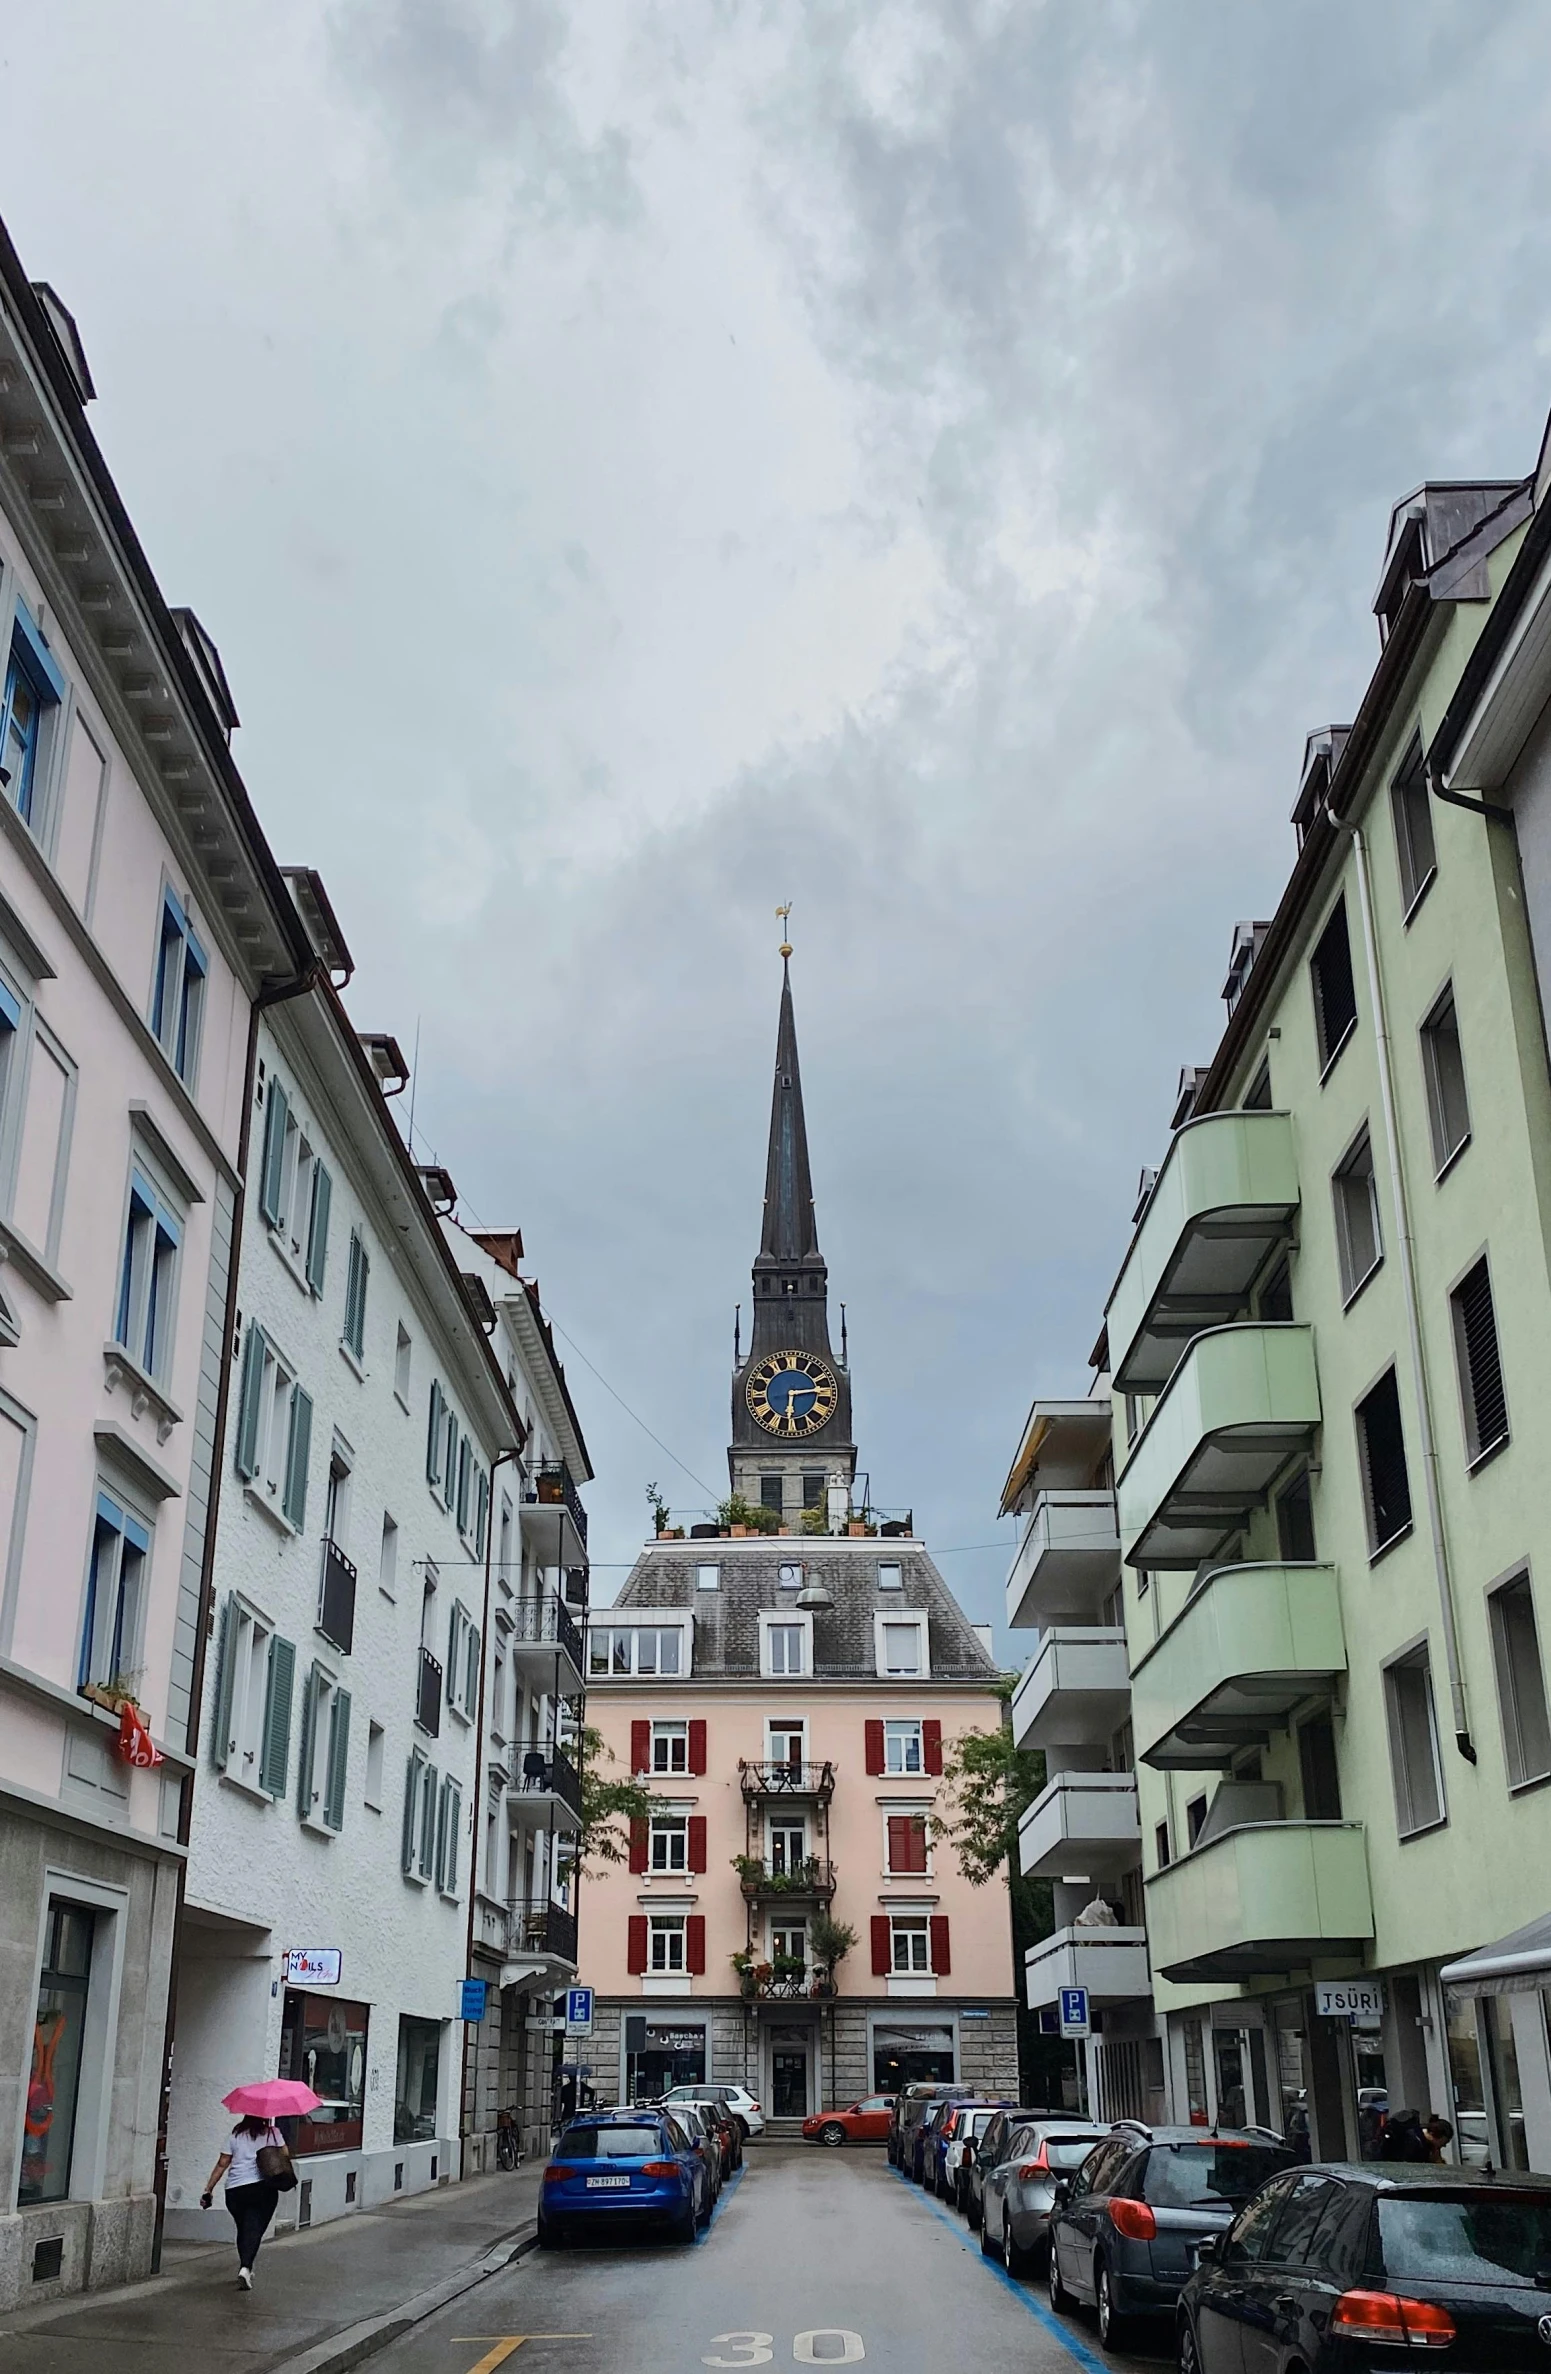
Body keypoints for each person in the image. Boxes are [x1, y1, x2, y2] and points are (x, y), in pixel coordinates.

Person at [200, 2113, 285, 2288]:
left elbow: (223, 2163)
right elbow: (285, 2155)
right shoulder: (272, 2133)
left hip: (235, 2190)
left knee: (244, 2228)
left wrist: (209, 2188)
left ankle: (246, 2266)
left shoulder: (235, 2135)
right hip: (262, 2188)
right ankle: (245, 2267)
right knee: (255, 2229)